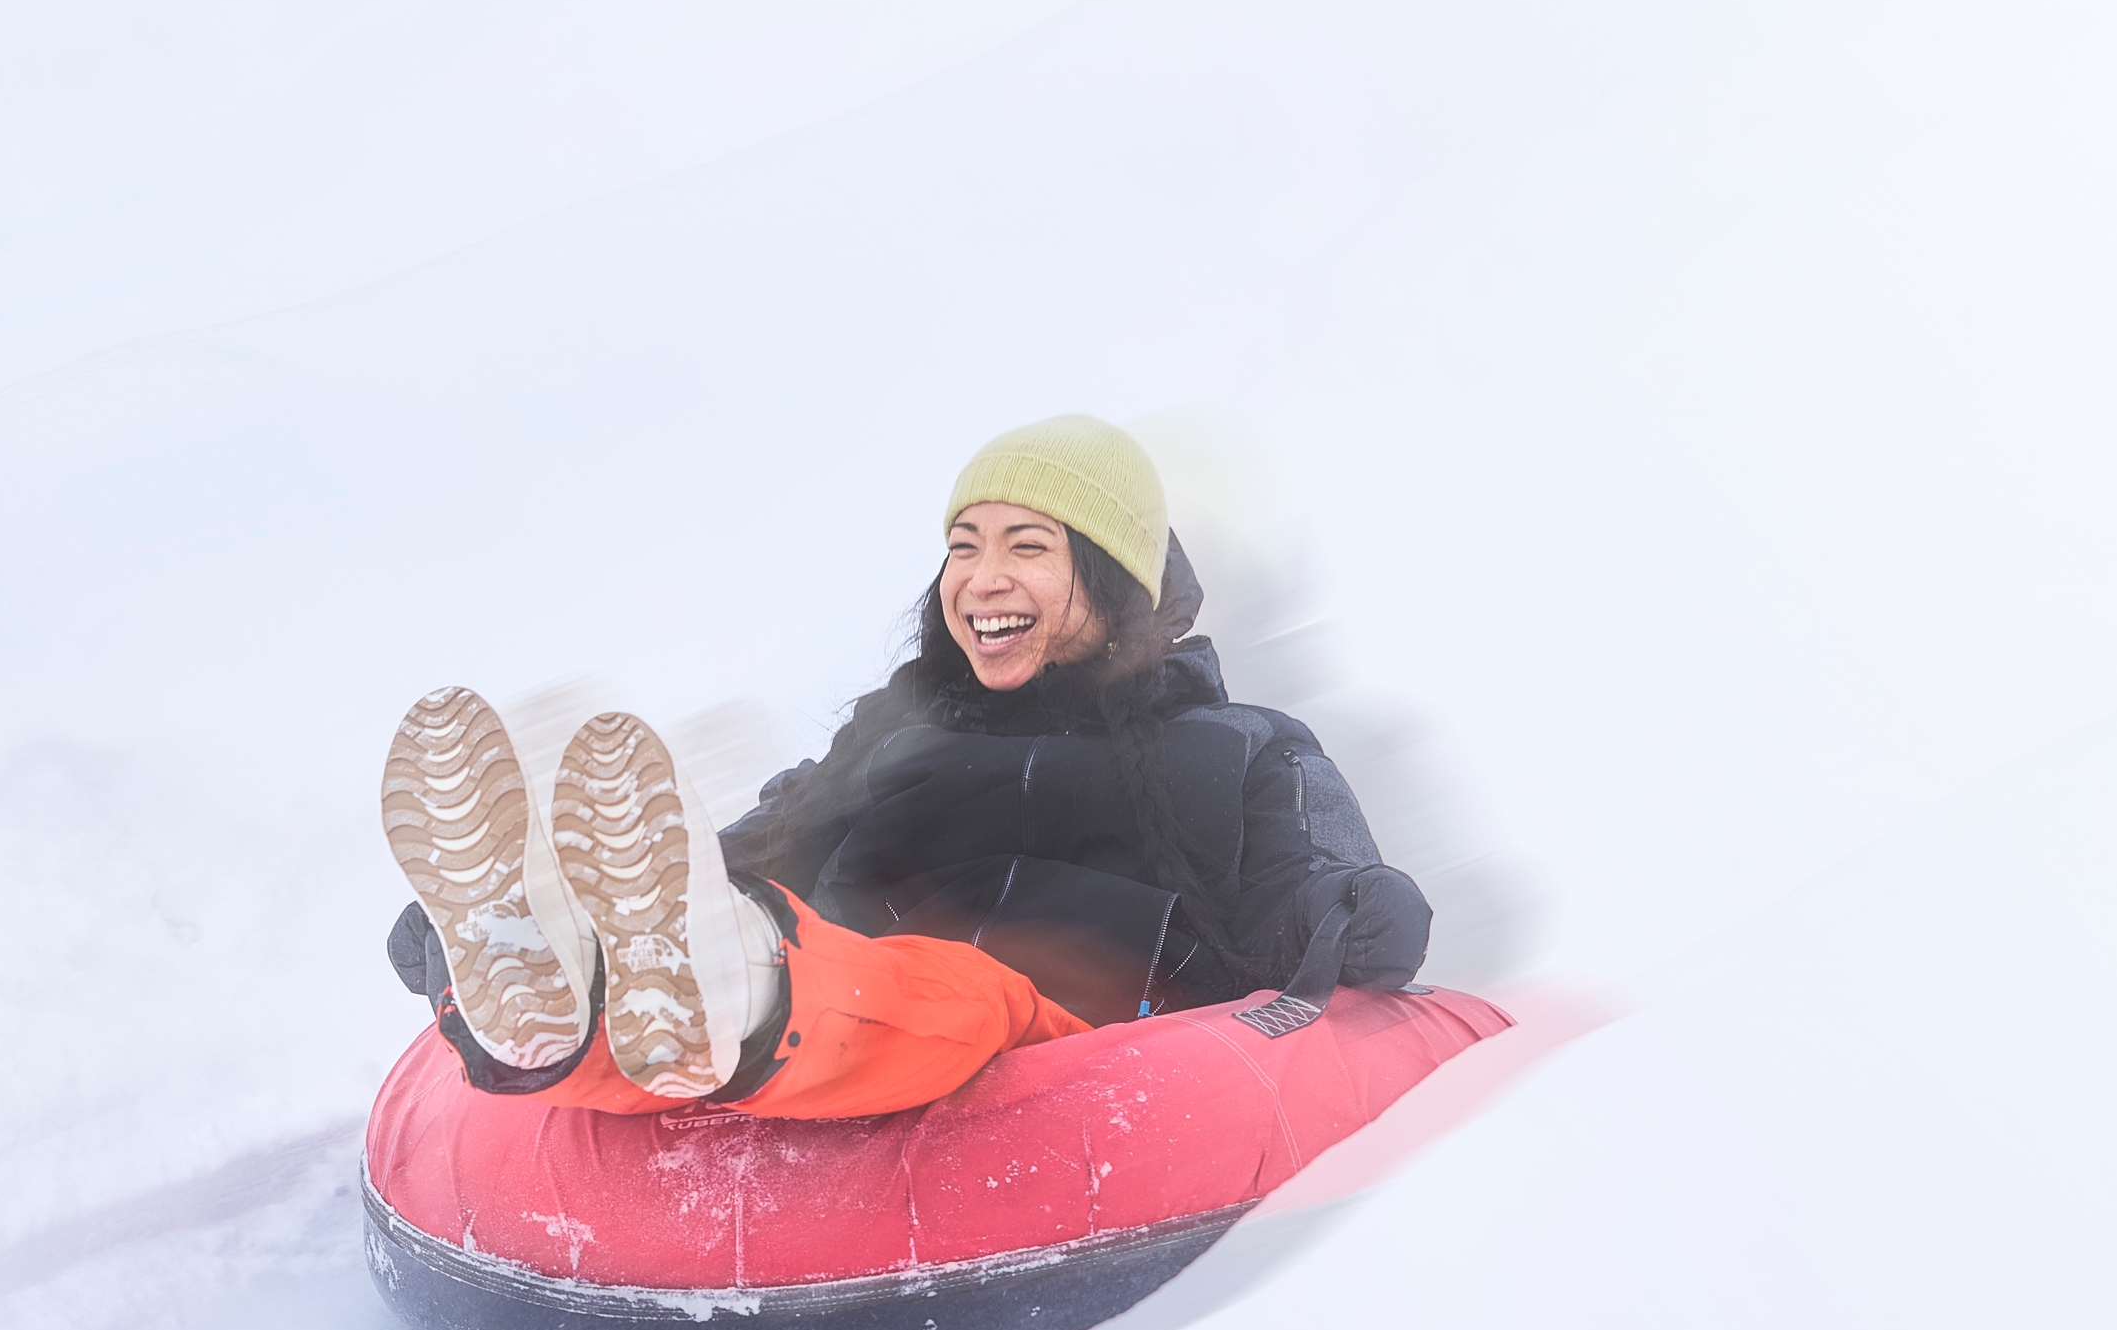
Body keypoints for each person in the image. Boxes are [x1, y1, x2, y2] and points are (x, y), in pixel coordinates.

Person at [379, 414, 1431, 1117]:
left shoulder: (1244, 747)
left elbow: (1312, 893)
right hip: (822, 1014)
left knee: (962, 991)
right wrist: (646, 895)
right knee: (739, 926)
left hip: (1068, 1047)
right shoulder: (901, 726)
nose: (980, 576)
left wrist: (1362, 904)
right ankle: (550, 964)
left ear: (1111, 580)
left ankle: (724, 985)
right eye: (963, 544)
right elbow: (757, 848)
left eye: (1027, 545)